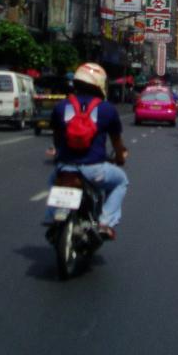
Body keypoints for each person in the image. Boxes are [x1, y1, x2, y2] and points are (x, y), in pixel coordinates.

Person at [48, 62, 129, 241]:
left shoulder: (61, 107)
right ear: (100, 84)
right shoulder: (107, 109)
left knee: (53, 180)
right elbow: (116, 142)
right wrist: (120, 157)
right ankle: (105, 223)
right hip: (94, 170)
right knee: (121, 181)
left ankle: (51, 216)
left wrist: (60, 156)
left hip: (65, 167)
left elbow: (57, 137)